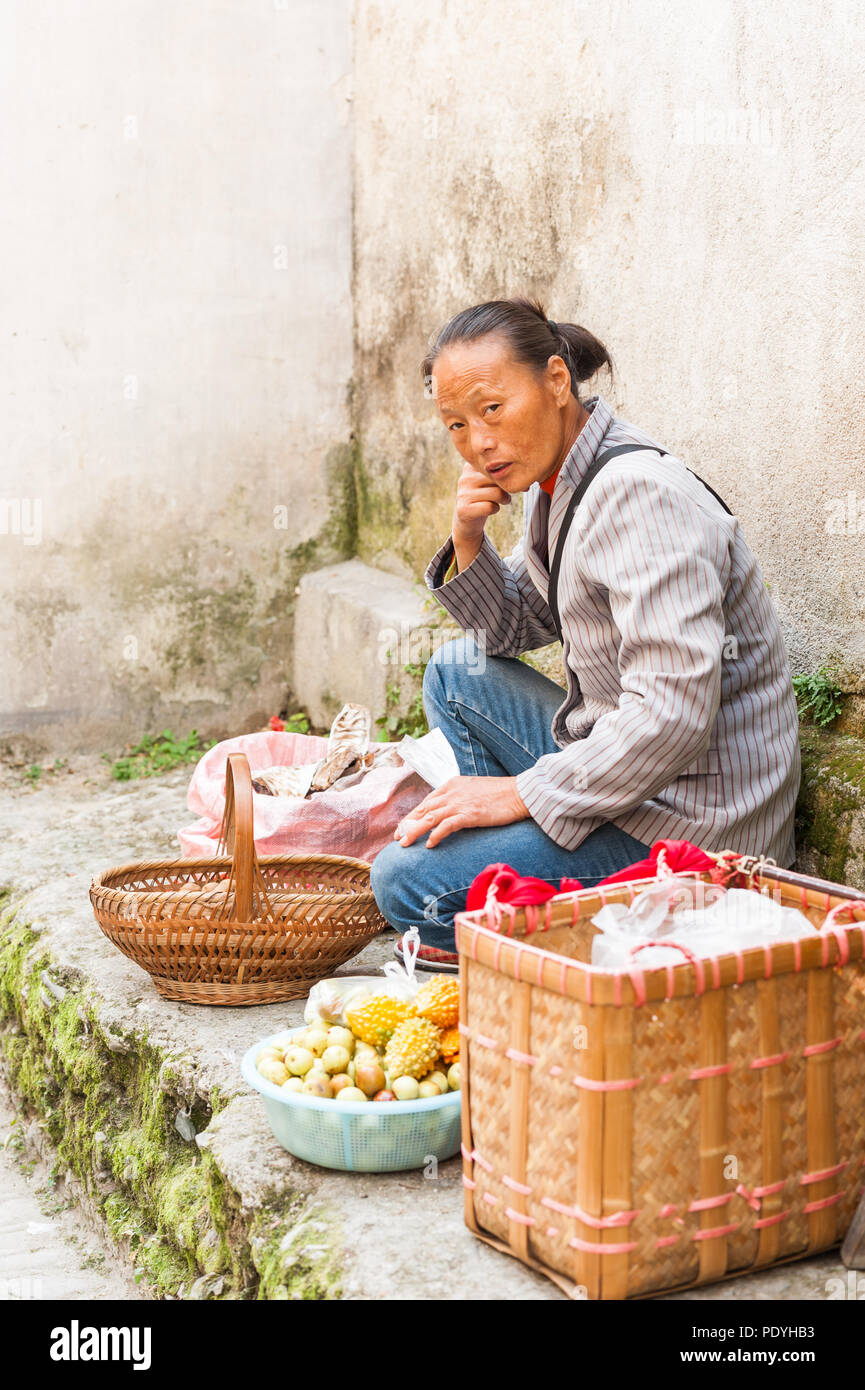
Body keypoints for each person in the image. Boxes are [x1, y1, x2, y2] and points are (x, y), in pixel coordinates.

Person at [370, 296, 801, 964]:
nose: (477, 441)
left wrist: (520, 794)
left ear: (554, 381)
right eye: (455, 424)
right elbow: (509, 628)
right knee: (458, 673)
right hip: (630, 778)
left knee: (405, 880)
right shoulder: (561, 485)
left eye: (491, 408)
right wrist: (467, 538)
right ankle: (508, 897)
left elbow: (671, 716)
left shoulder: (635, 495)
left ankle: (502, 937)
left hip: (690, 826)